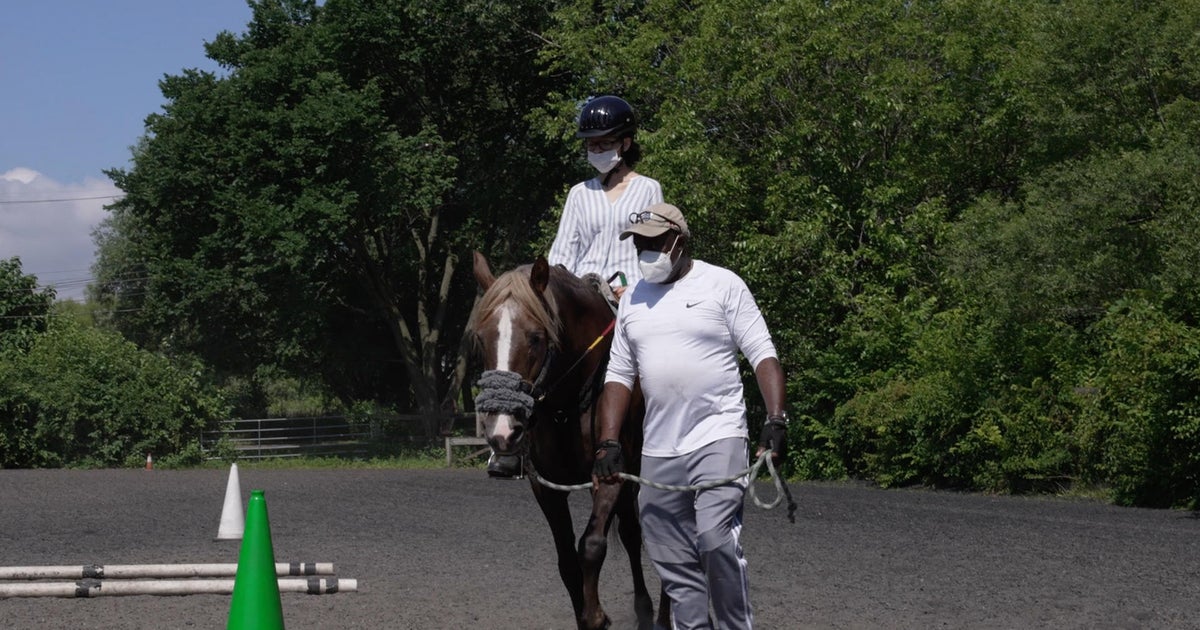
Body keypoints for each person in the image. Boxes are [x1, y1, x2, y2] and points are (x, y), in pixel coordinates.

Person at [591, 202, 788, 630]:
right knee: (670, 555)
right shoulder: (634, 302)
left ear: (680, 240)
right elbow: (619, 377)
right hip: (659, 447)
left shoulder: (722, 284)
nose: (646, 251)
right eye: (640, 243)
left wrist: (776, 419)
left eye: (654, 242)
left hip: (718, 434)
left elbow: (762, 354)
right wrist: (607, 441)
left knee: (716, 540)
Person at [548, 95, 663, 299]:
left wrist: (640, 288)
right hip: (583, 294)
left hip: (630, 291)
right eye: (592, 144)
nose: (597, 150)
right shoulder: (579, 193)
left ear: (625, 144)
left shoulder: (648, 189)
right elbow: (562, 254)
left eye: (605, 143)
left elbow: (656, 250)